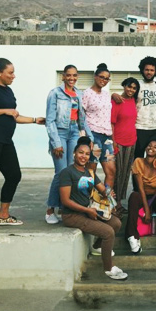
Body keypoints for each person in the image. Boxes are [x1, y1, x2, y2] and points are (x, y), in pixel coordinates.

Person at [0, 58, 45, 233]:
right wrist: (4, 110)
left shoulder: (8, 91)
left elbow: (14, 116)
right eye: (10, 72)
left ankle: (3, 215)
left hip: (6, 140)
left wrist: (35, 120)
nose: (13, 76)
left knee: (14, 175)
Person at [59, 136, 127, 280]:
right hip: (72, 215)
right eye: (80, 153)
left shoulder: (89, 172)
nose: (83, 156)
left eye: (87, 154)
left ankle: (97, 247)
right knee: (108, 232)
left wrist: (111, 200)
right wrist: (87, 210)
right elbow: (65, 201)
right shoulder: (67, 173)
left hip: (88, 211)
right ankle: (108, 269)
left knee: (116, 223)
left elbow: (103, 190)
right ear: (74, 153)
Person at [45, 64, 92, 225]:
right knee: (60, 172)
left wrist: (89, 137)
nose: (72, 78)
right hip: (59, 132)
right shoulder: (55, 93)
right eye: (69, 75)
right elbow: (50, 120)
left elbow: (83, 120)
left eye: (74, 75)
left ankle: (65, 207)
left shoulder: (79, 94)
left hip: (74, 133)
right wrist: (56, 142)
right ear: (63, 76)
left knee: (72, 171)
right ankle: (50, 209)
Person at [125, 140, 156, 255]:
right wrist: (146, 209)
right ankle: (132, 236)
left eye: (155, 147)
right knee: (133, 196)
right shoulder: (138, 161)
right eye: (149, 145)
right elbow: (140, 188)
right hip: (142, 195)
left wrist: (149, 205)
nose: (151, 148)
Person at [112, 56, 156, 160]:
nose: (149, 72)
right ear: (142, 70)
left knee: (155, 160)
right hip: (139, 127)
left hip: (155, 128)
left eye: (152, 70)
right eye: (146, 70)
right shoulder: (137, 85)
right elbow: (124, 97)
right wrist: (113, 95)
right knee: (137, 159)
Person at [82, 63, 116, 189]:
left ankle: (107, 198)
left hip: (107, 137)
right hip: (93, 135)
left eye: (107, 78)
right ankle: (89, 198)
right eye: (102, 77)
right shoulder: (86, 93)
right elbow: (81, 116)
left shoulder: (107, 94)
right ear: (95, 76)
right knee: (91, 170)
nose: (104, 80)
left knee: (111, 170)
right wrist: (85, 136)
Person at [111, 77, 140, 213]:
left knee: (125, 174)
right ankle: (113, 203)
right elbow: (112, 123)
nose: (131, 90)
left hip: (131, 141)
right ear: (124, 86)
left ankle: (119, 203)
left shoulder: (134, 100)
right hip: (118, 142)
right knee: (117, 173)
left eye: (134, 88)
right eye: (129, 87)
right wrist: (113, 142)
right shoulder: (116, 101)